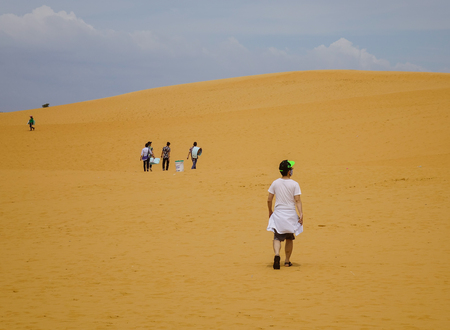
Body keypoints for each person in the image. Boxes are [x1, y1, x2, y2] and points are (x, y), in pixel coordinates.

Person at [267, 160, 303, 269]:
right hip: (290, 215)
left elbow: (269, 199)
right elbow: (297, 200)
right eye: (291, 169)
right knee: (289, 238)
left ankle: (277, 254)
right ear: (288, 172)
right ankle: (287, 261)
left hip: (279, 214)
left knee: (277, 237)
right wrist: (301, 214)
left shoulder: (275, 183)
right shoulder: (294, 184)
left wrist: (270, 211)